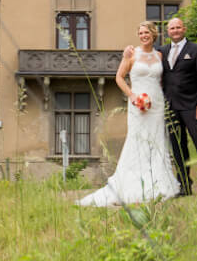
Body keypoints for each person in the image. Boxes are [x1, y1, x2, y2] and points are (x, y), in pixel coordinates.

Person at [77, 21, 181, 206]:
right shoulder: (131, 54)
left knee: (157, 141)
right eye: (140, 33)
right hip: (137, 104)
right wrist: (132, 96)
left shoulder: (159, 55)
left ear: (153, 34)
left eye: (146, 32)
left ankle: (159, 184)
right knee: (138, 141)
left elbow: (164, 80)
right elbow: (119, 77)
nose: (143, 36)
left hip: (156, 105)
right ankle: (133, 186)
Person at [160, 17, 197, 195]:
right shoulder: (161, 51)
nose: (175, 30)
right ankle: (184, 186)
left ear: (184, 29)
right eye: (172, 28)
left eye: (178, 27)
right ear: (167, 32)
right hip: (171, 107)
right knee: (178, 147)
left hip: (193, 106)